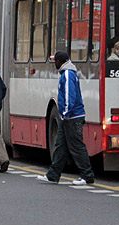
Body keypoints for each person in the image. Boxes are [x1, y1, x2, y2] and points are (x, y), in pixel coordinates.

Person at [38, 51, 95, 185]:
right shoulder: (67, 73)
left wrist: (65, 114)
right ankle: (53, 174)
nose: (54, 64)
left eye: (55, 62)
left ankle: (87, 175)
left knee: (76, 146)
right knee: (60, 146)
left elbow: (70, 96)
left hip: (72, 117)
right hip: (69, 117)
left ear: (60, 61)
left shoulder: (68, 75)